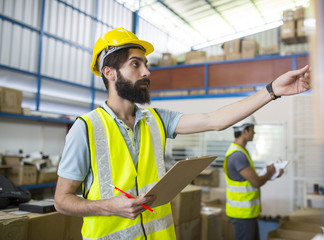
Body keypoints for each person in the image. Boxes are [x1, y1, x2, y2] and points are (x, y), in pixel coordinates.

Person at [54, 27, 310, 240]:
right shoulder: (85, 128)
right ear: (109, 73)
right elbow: (62, 201)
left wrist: (272, 90)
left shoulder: (157, 119)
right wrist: (108, 206)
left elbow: (215, 120)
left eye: (146, 64)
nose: (147, 72)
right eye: (136, 64)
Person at [223, 115, 283, 240]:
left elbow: (250, 179)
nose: (254, 132)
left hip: (247, 213)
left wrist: (272, 173)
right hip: (242, 214)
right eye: (252, 129)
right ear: (245, 131)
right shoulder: (237, 156)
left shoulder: (241, 151)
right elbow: (256, 182)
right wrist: (269, 173)